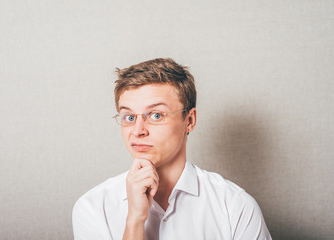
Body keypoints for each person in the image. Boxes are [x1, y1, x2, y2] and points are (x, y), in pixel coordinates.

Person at [72, 58, 272, 240]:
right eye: (130, 117)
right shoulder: (93, 208)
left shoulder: (235, 206)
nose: (138, 130)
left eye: (156, 115)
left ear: (190, 120)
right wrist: (135, 220)